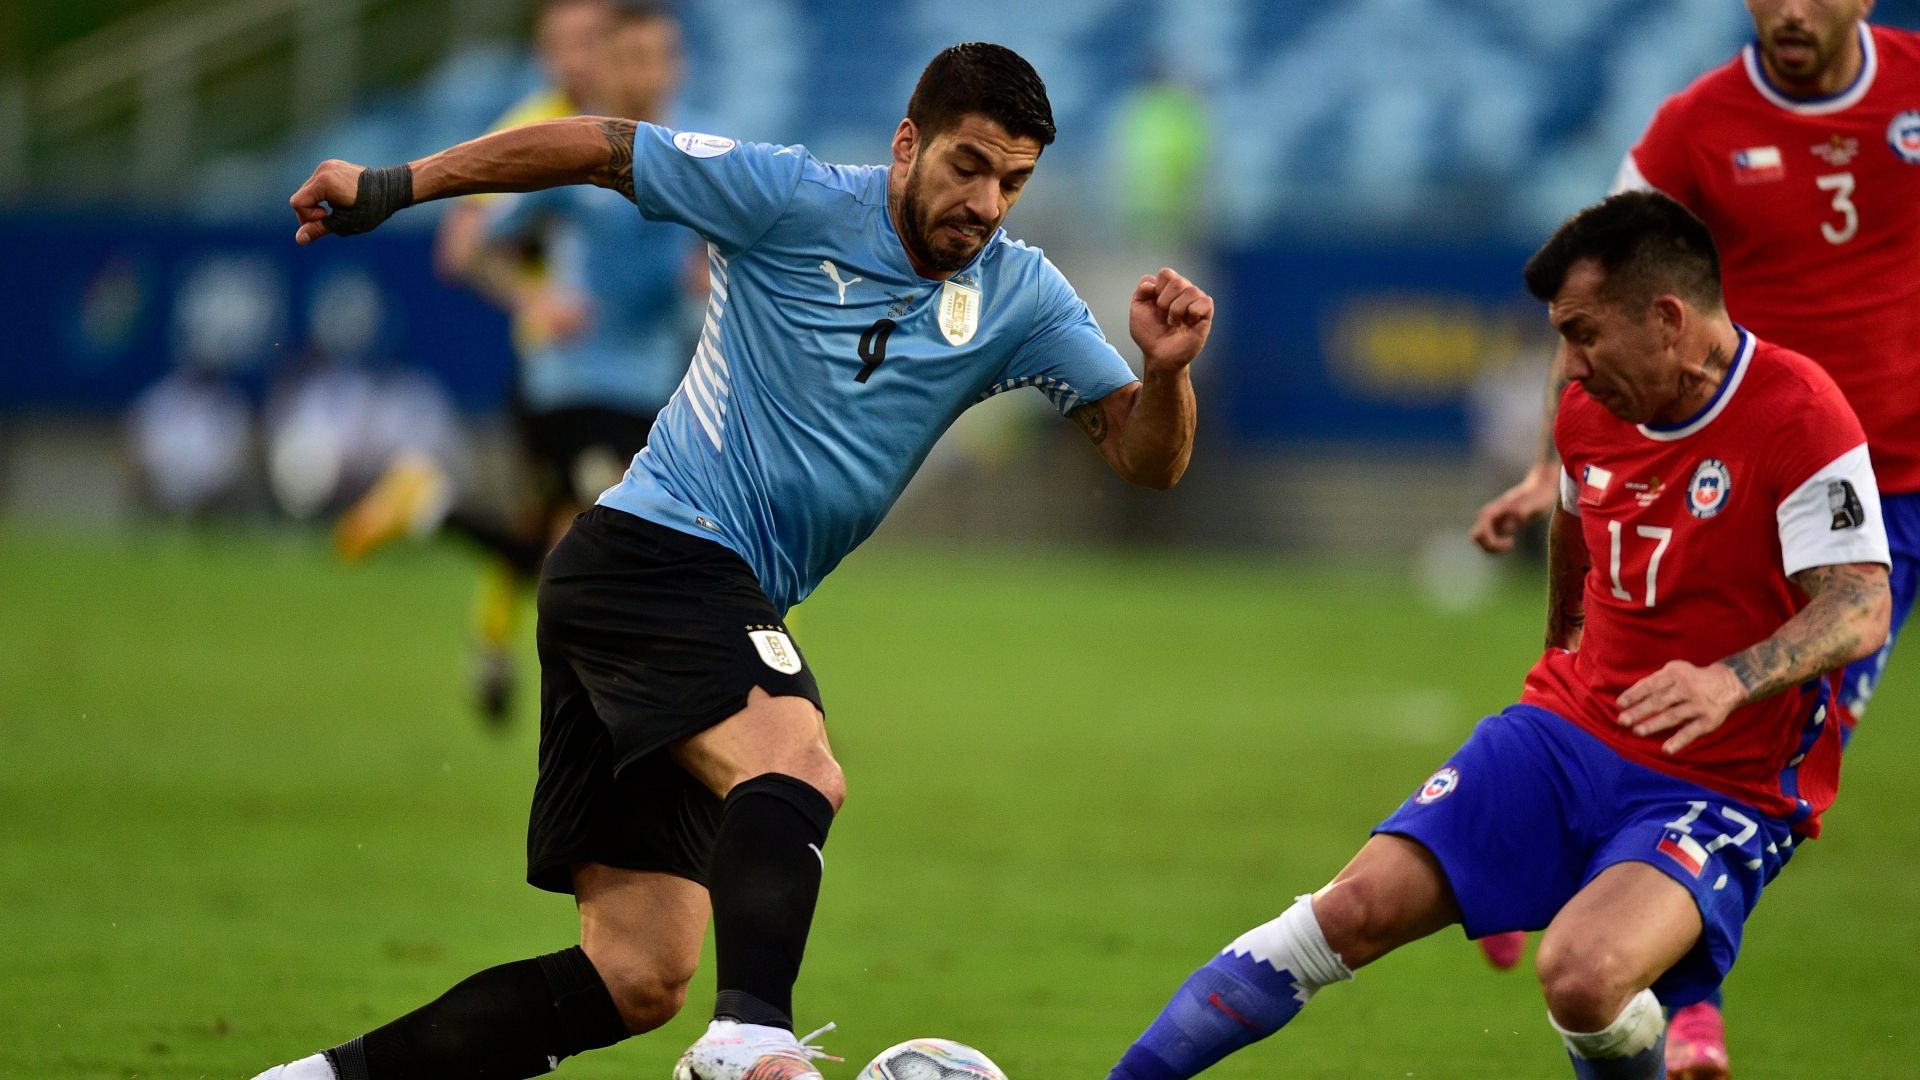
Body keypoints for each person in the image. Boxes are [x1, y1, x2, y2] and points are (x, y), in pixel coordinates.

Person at [260, 42, 1213, 1080]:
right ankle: (751, 1043)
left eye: (1013, 182)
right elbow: (600, 147)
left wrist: (1165, 378)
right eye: (968, 166)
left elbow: (1143, 456)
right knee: (796, 763)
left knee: (637, 974)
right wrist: (397, 185)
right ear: (907, 144)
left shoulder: (1019, 294)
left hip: (671, 589)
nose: (986, 203)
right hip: (656, 551)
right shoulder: (792, 198)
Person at [1107, 191, 1889, 1080]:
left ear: (1669, 319)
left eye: (1586, 333)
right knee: (1345, 912)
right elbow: (1575, 526)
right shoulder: (1589, 410)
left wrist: (1726, 680)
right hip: (1567, 732)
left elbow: (1861, 604)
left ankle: (1659, 1012)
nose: (1571, 366)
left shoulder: (1798, 412)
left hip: (1721, 780)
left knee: (1583, 977)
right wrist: (1559, 652)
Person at [1467, 5, 1920, 1071]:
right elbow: (1594, 287)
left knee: (1741, 745)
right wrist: (1548, 466)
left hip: (1905, 475)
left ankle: (1653, 979)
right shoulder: (1697, 125)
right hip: (1778, 491)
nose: (1788, 11)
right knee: (1757, 744)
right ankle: (1691, 1008)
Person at [335, 0, 703, 725]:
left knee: (557, 551)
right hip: (571, 386)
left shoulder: (695, 157)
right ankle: (640, 717)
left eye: (662, 59)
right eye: (630, 57)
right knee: (622, 544)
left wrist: (707, 277)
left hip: (656, 393)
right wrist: (534, 300)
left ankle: (431, 512)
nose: (648, 74)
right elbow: (466, 244)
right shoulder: (570, 146)